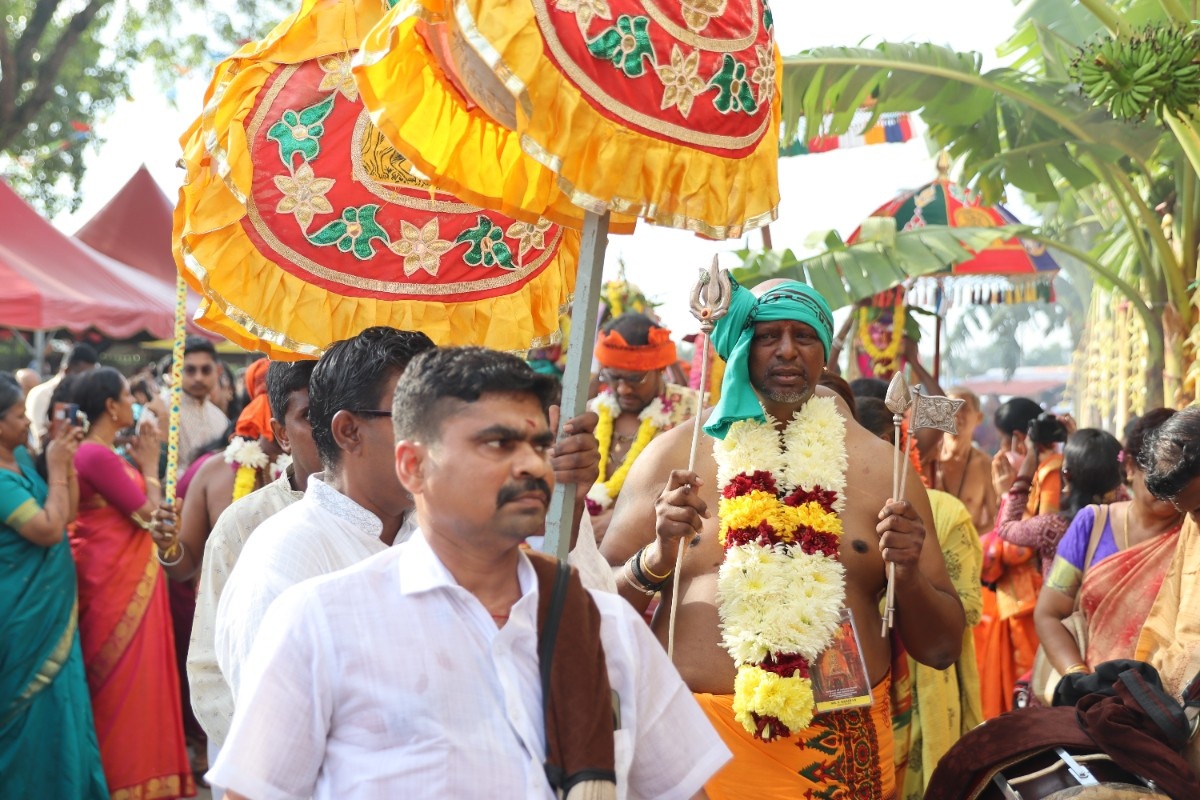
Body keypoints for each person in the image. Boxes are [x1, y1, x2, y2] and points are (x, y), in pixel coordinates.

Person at [207, 346, 731, 799]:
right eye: (496, 444)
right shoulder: (320, 621)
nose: (529, 465)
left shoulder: (604, 628)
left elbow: (681, 790)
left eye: (538, 444)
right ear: (413, 466)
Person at [601, 279, 965, 799]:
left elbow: (943, 648)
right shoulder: (674, 457)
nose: (788, 350)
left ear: (824, 350)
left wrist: (906, 576)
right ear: (739, 345)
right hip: (695, 752)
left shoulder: (883, 470)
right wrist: (657, 558)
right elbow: (593, 611)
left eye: (804, 335)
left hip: (838, 759)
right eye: (768, 336)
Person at [187, 360, 319, 798]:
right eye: (310, 416)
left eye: (341, 411)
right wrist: (266, 755)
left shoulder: (400, 514)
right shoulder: (244, 522)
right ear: (281, 433)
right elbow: (209, 665)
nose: (331, 429)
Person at [68, 367, 195, 798]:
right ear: (110, 406)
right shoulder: (96, 456)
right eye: (127, 396)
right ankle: (121, 781)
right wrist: (150, 466)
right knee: (120, 689)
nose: (132, 404)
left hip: (123, 580)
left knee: (132, 690)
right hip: (113, 587)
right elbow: (152, 520)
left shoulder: (102, 453)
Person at [857, 397, 983, 799]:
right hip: (857, 686)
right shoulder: (824, 510)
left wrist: (907, 588)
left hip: (927, 677)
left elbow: (968, 606)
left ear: (886, 445)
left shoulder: (945, 512)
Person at [0, 372, 108, 797]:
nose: (27, 422)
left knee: (61, 707)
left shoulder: (21, 459)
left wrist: (65, 462)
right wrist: (59, 468)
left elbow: (66, 514)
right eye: (17, 415)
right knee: (26, 714)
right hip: (22, 616)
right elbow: (47, 529)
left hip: (51, 609)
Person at [1036, 410, 1182, 681]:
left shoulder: (1192, 533)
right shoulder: (1092, 524)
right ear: (1130, 466)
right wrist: (1078, 677)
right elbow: (1049, 613)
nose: (1169, 486)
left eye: (1179, 476)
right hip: (1096, 692)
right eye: (1159, 471)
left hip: (1172, 699)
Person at [975, 398, 1066, 718]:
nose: (1001, 451)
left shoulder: (1051, 472)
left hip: (1036, 594)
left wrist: (1006, 494)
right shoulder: (1040, 469)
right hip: (1017, 594)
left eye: (1003, 442)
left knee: (1028, 682)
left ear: (1018, 438)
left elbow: (1040, 536)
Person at [587, 313, 696, 541]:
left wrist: (623, 521)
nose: (623, 389)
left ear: (659, 369)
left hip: (657, 548)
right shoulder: (591, 412)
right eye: (613, 377)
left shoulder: (692, 412)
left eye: (635, 379)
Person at [994, 426, 1121, 582]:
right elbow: (1113, 479)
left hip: (1058, 598)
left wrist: (1026, 467)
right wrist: (1081, 446)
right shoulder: (1125, 520)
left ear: (1066, 474)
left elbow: (1006, 527)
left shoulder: (1053, 527)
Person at [927, 387, 996, 534]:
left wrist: (967, 541)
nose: (957, 413)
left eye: (964, 408)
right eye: (950, 407)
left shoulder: (985, 465)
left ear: (979, 418)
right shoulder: (926, 460)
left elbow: (995, 518)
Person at [25, 342, 98, 446]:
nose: (86, 381)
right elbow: (41, 440)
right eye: (83, 376)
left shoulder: (85, 396)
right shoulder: (41, 394)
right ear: (67, 370)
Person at [174, 337, 229, 472]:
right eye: (190, 370)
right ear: (177, 370)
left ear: (218, 371)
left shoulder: (220, 419)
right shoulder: (161, 410)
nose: (198, 377)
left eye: (206, 370)